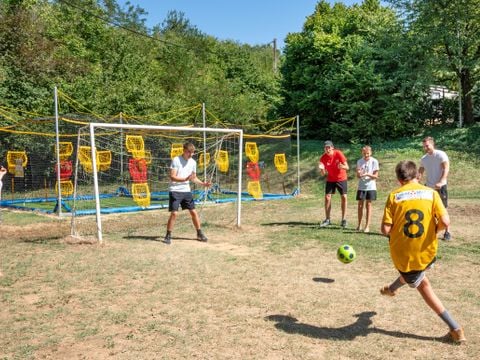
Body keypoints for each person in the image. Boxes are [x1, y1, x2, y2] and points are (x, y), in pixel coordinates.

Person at [380, 160, 465, 344]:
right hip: (428, 252)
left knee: (423, 286)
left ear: (398, 179)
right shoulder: (431, 193)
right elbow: (445, 221)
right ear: (417, 175)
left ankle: (455, 328)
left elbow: (385, 230)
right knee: (415, 274)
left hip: (406, 254)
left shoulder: (394, 195)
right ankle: (392, 289)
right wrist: (434, 231)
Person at [164, 142, 211, 245]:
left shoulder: (193, 162)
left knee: (193, 212)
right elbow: (172, 176)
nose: (191, 154)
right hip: (175, 190)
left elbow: (193, 178)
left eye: (193, 152)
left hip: (186, 191)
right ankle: (168, 235)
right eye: (189, 152)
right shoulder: (176, 160)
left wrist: (203, 184)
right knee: (174, 213)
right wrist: (184, 179)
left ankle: (199, 233)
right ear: (184, 151)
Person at [418, 136, 451, 241]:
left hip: (440, 186)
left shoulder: (441, 154)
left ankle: (447, 232)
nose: (425, 148)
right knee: (431, 210)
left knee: (443, 209)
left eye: (427, 145)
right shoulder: (424, 158)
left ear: (432, 144)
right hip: (429, 188)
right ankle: (432, 231)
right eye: (424, 146)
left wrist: (441, 181)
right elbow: (420, 171)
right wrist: (416, 180)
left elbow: (446, 168)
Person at [318, 140, 349, 228]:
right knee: (327, 197)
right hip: (331, 179)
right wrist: (322, 169)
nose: (327, 149)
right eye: (326, 148)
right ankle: (327, 219)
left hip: (341, 178)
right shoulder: (323, 158)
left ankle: (344, 220)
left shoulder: (338, 153)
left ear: (332, 147)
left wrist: (342, 166)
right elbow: (323, 174)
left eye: (329, 147)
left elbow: (347, 167)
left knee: (344, 197)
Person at [355, 146, 379, 233]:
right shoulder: (359, 161)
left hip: (371, 187)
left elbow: (376, 176)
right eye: (364, 153)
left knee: (368, 205)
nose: (366, 155)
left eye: (367, 153)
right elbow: (358, 175)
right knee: (360, 205)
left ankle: (367, 226)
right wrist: (359, 174)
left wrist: (368, 174)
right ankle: (359, 225)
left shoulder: (374, 161)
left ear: (370, 153)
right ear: (362, 153)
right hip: (361, 186)